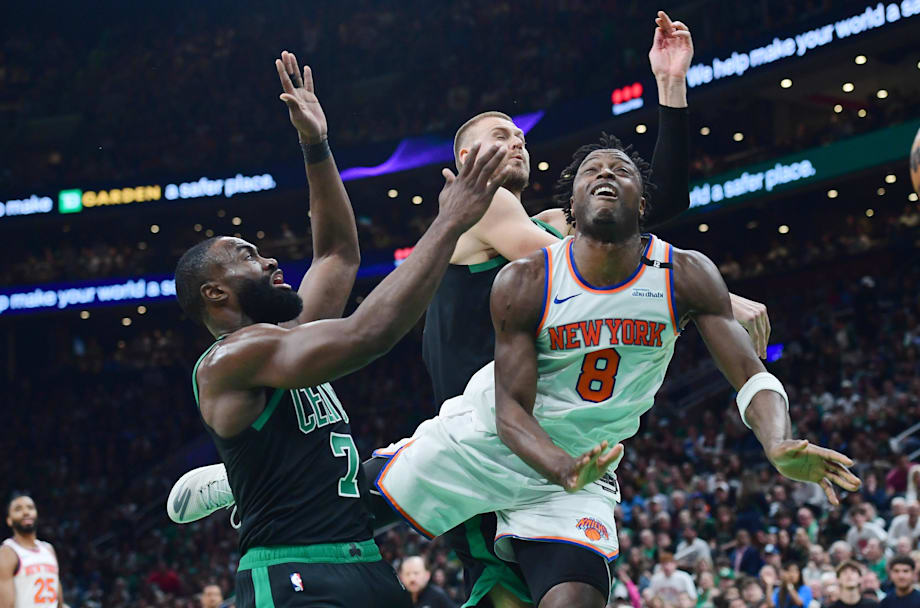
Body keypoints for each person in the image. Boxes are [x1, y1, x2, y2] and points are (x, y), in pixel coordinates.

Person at [168, 14, 772, 608]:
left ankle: (244, 485)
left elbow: (648, 212)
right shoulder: (492, 211)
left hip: (541, 436)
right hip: (480, 434)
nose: (516, 142)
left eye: (522, 137)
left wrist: (671, 88)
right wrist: (706, 295)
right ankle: (244, 484)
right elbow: (606, 274)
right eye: (498, 135)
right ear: (461, 160)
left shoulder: (558, 226)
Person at [371, 121, 859, 608]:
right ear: (571, 209)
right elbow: (510, 410)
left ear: (641, 201)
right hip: (483, 441)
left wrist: (776, 442)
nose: (605, 175)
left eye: (620, 170)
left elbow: (753, 375)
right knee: (329, 512)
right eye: (591, 171)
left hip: (576, 470)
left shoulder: (682, 273)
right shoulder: (525, 272)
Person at [169, 50, 511, 607]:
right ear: (215, 293)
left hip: (366, 561)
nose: (271, 260)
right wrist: (450, 222)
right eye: (249, 255)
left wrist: (316, 146)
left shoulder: (289, 337)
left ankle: (233, 484)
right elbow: (364, 336)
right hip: (292, 571)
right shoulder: (230, 361)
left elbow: (337, 253)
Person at [0, 495, 62, 608]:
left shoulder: (48, 549)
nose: (26, 512)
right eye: (18, 509)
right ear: (9, 520)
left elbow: (58, 600)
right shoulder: (7, 552)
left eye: (30, 507)